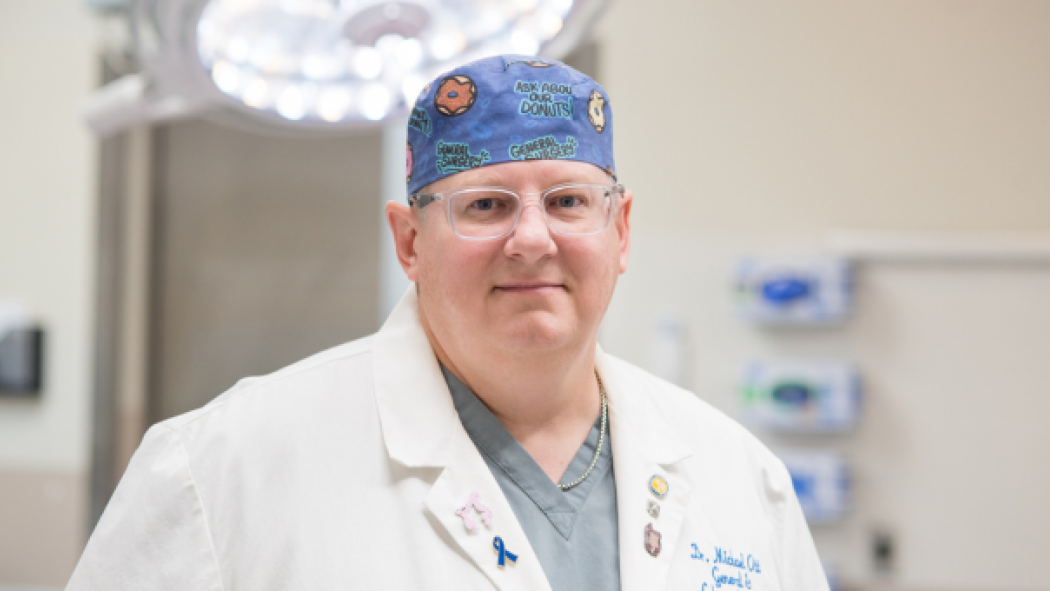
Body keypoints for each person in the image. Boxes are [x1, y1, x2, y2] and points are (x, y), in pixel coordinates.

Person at [67, 55, 829, 591]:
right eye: (486, 205)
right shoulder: (222, 471)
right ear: (409, 242)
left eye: (567, 201)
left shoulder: (740, 478)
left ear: (620, 231)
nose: (533, 239)